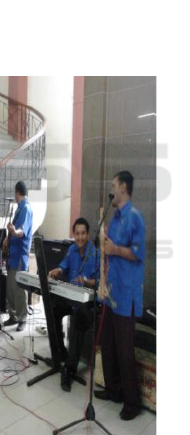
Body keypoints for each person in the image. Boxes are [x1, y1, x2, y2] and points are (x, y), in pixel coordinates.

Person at [95, 171, 145, 421]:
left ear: (123, 187)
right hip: (111, 292)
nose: (111, 189)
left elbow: (138, 253)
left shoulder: (135, 217)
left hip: (126, 294)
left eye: (113, 185)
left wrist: (114, 248)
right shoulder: (114, 218)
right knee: (109, 345)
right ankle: (113, 390)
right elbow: (109, 248)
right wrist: (104, 243)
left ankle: (132, 402)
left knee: (125, 351)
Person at [47, 217, 99, 391]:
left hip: (87, 302)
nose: (80, 237)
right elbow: (63, 267)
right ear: (74, 234)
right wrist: (57, 271)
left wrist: (87, 282)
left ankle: (69, 370)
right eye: (77, 234)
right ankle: (61, 352)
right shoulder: (71, 250)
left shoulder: (95, 254)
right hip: (71, 297)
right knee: (53, 309)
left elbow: (100, 282)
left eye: (83, 233)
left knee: (78, 317)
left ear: (88, 234)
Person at [3, 181, 33, 332]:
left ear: (17, 193)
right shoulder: (18, 209)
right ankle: (13, 316)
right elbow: (14, 230)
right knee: (10, 287)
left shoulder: (26, 208)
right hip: (12, 255)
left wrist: (14, 232)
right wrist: (8, 237)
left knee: (19, 288)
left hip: (20, 256)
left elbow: (22, 231)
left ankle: (22, 318)